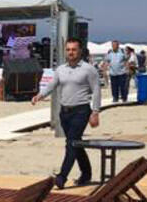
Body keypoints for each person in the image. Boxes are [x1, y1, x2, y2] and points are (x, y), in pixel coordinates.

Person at [32, 38, 101, 189]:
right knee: (75, 143)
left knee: (71, 143)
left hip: (81, 111)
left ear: (80, 51)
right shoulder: (60, 69)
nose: (71, 52)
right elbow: (52, 85)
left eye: (74, 49)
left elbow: (96, 90)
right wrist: (40, 95)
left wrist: (95, 112)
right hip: (64, 113)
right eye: (68, 49)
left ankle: (62, 177)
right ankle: (86, 173)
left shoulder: (89, 69)